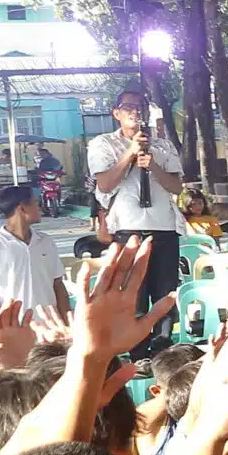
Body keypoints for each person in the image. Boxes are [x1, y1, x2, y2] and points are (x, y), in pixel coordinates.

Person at [86, 91, 183, 342]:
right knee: (132, 296)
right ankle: (138, 353)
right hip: (129, 230)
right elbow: (105, 184)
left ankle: (164, 347)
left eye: (140, 106)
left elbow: (176, 187)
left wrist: (153, 166)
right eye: (128, 107)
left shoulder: (163, 145)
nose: (135, 111)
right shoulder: (103, 144)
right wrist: (130, 153)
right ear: (116, 113)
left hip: (164, 228)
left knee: (165, 296)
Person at [0, 185, 68, 320]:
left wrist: (67, 320)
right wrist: (0, 319)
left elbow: (58, 284)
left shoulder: (46, 242)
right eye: (36, 203)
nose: (40, 208)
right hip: (15, 332)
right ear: (22, 208)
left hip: (51, 328)